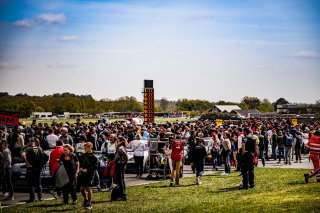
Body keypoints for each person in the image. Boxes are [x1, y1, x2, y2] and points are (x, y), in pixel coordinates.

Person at [21, 137, 44, 202]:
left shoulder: (28, 149)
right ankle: (40, 197)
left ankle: (32, 198)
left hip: (30, 168)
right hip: (38, 168)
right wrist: (42, 164)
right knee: (38, 183)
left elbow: (23, 155)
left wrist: (27, 163)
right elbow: (46, 157)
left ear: (30, 142)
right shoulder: (40, 148)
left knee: (30, 184)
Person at [78, 142, 98, 209]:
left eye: (86, 147)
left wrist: (88, 169)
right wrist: (80, 168)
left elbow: (96, 166)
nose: (85, 149)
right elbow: (80, 163)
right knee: (81, 189)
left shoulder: (94, 156)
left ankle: (89, 203)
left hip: (90, 174)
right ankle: (86, 199)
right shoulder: (83, 155)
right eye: (84, 147)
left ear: (90, 147)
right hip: (83, 173)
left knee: (89, 188)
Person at [113, 136, 128, 201]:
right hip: (122, 165)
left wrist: (114, 161)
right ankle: (123, 195)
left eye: (118, 141)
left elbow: (117, 158)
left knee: (120, 181)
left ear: (121, 141)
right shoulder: (123, 147)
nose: (117, 142)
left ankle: (121, 195)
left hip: (119, 165)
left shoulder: (120, 148)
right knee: (122, 180)